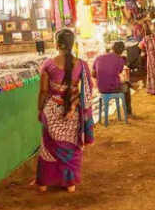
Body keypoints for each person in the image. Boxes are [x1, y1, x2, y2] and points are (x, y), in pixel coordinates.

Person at [36, 29, 94, 192]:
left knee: (48, 147)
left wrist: (40, 110)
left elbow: (43, 91)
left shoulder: (47, 64)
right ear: (72, 44)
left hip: (51, 111)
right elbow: (88, 90)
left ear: (57, 44)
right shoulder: (81, 65)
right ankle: (70, 183)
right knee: (71, 146)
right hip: (73, 112)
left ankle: (44, 182)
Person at [93, 41, 132, 116]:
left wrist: (103, 78)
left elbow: (93, 74)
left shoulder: (99, 58)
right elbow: (119, 73)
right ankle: (128, 113)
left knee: (125, 83)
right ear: (122, 51)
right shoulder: (120, 61)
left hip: (100, 88)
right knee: (127, 89)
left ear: (112, 48)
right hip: (113, 88)